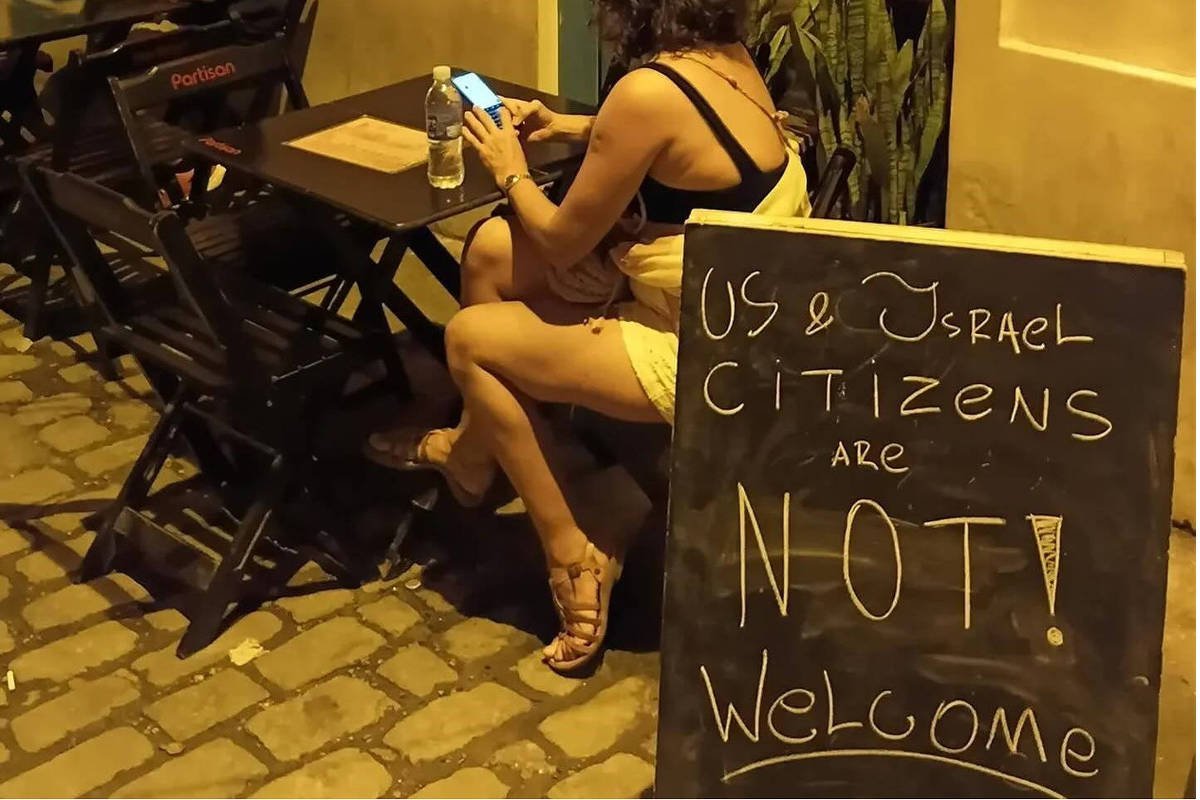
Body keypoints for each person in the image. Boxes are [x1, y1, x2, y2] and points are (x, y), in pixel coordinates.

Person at [366, 0, 811, 673]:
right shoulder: (726, 55)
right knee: (489, 251)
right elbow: (677, 132)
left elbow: (560, 237)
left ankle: (570, 550)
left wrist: (511, 167)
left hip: (704, 348)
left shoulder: (645, 91)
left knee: (470, 340)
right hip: (734, 302)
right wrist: (569, 126)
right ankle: (475, 452)